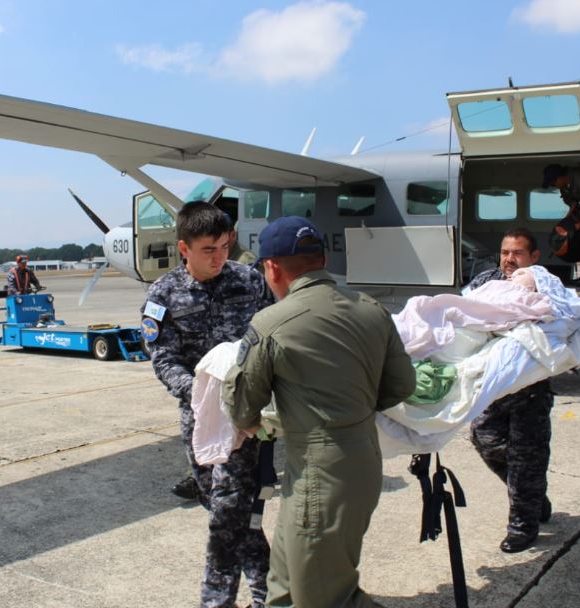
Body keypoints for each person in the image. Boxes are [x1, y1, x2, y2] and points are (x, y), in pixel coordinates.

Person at [223, 216, 416, 607]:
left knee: (325, 598)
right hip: (360, 462)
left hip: (319, 475)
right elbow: (402, 385)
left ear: (272, 267)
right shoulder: (371, 308)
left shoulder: (272, 323)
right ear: (322, 258)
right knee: (286, 586)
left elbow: (243, 408)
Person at [140, 201, 273, 608]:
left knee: (228, 513)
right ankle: (270, 589)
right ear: (184, 248)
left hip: (246, 419)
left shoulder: (249, 282)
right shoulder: (163, 295)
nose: (219, 258)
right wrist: (201, 394)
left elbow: (272, 337)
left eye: (223, 247)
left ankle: (217, 600)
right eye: (207, 250)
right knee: (224, 509)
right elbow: (163, 358)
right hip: (199, 418)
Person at [466, 227, 555, 553]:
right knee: (485, 441)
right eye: (505, 252)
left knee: (527, 457)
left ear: (533, 257)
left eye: (517, 253)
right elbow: (465, 311)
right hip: (493, 387)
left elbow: (561, 319)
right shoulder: (485, 281)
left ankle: (523, 524)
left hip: (530, 391)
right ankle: (531, 496)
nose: (509, 259)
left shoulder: (545, 285)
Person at [543, 164, 580, 270]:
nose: (555, 186)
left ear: (560, 177)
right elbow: (573, 204)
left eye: (554, 183)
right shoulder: (565, 187)